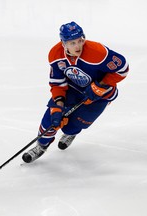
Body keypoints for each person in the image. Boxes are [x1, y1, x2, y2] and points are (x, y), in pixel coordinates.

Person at [22, 21, 129, 163]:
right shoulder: (55, 54)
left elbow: (123, 69)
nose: (78, 46)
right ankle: (41, 145)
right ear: (63, 43)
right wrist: (58, 105)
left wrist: (100, 86)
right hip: (72, 88)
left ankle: (70, 133)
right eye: (72, 43)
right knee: (51, 118)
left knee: (74, 125)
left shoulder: (98, 52)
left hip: (99, 95)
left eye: (80, 40)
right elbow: (57, 82)